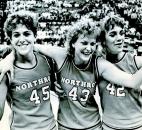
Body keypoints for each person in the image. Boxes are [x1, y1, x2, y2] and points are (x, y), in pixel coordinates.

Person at [1, 16, 142, 130]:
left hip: (92, 125)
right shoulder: (61, 56)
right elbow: (29, 45)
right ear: (73, 43)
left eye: (92, 44)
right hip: (64, 125)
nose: (89, 48)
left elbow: (131, 81)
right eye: (84, 43)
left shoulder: (98, 63)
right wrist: (9, 59)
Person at [0, 10, 57, 130]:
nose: (22, 39)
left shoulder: (47, 60)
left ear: (35, 35)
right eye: (16, 35)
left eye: (26, 34)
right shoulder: (6, 69)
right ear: (10, 39)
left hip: (50, 127)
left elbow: (54, 87)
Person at [98, 15, 142, 130]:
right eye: (113, 34)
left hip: (136, 125)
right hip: (109, 126)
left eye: (122, 33)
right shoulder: (97, 63)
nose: (120, 38)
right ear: (103, 40)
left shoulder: (134, 61)